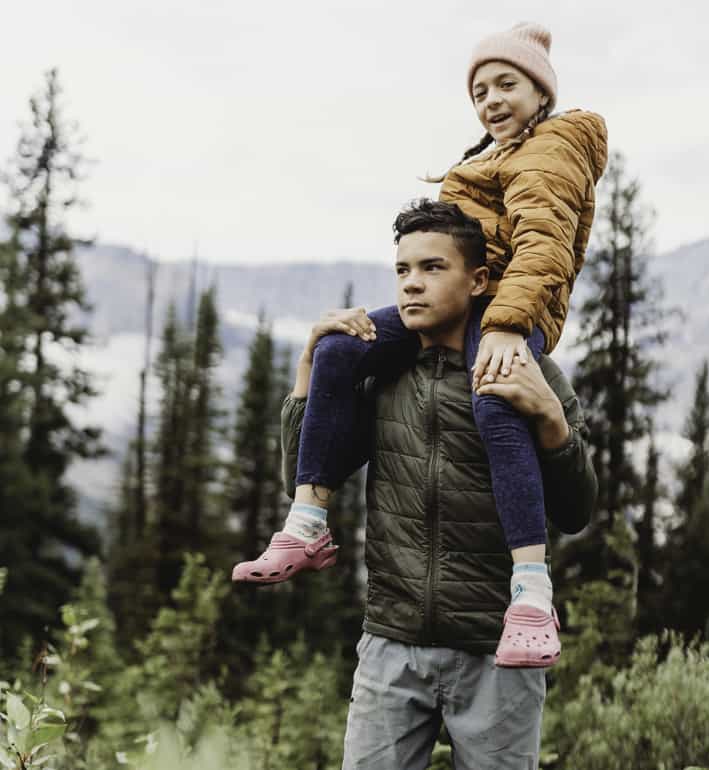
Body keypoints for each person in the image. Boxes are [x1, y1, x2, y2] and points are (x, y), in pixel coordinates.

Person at [233, 21, 607, 666]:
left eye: (506, 84)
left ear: (541, 93)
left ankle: (531, 593)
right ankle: (305, 527)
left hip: (516, 309)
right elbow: (316, 449)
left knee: (493, 394)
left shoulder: (551, 151)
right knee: (340, 347)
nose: (491, 100)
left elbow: (544, 245)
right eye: (479, 90)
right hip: (393, 632)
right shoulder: (485, 159)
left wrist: (508, 328)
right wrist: (308, 367)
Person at [281, 200, 597, 769]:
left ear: (478, 281)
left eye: (432, 268)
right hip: (391, 647)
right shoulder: (381, 373)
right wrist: (310, 367)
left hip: (497, 654)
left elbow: (576, 510)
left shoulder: (528, 369)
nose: (411, 285)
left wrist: (552, 421)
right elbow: (302, 480)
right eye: (402, 271)